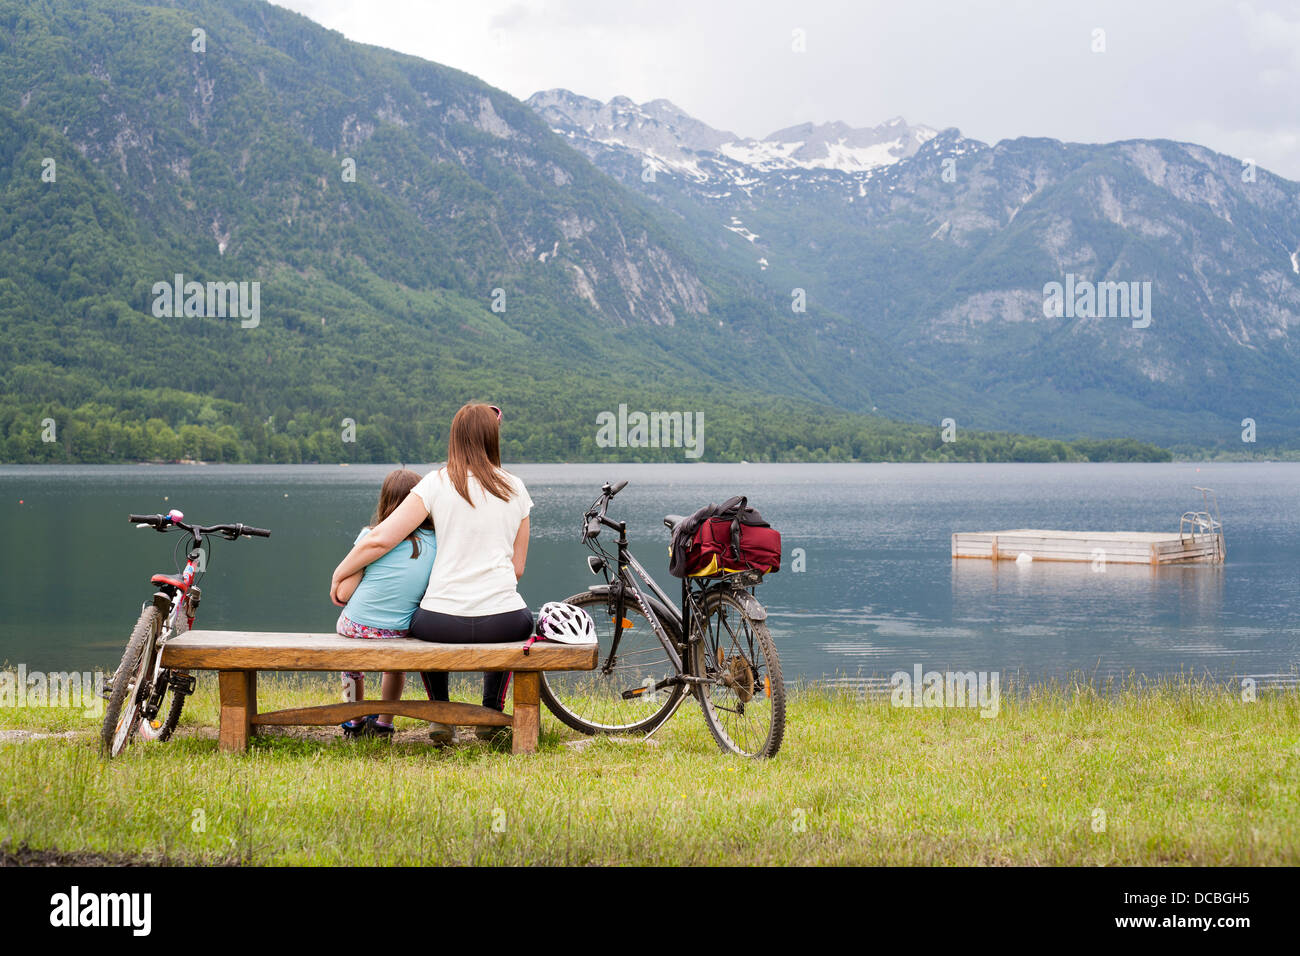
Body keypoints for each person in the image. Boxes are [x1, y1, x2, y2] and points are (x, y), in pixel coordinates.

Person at [330, 403, 532, 745]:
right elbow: (517, 568)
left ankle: (441, 715)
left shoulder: (435, 484)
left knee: (418, 623)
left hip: (441, 621)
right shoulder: (516, 488)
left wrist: (340, 574)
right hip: (504, 619)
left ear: (454, 439)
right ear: (492, 438)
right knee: (522, 624)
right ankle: (490, 714)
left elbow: (379, 539)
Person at [331, 468, 436, 738]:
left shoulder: (370, 536)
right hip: (400, 629)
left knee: (351, 665)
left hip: (356, 627)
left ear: (385, 501)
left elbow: (343, 594)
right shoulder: (434, 542)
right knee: (395, 666)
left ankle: (354, 721)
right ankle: (385, 723)